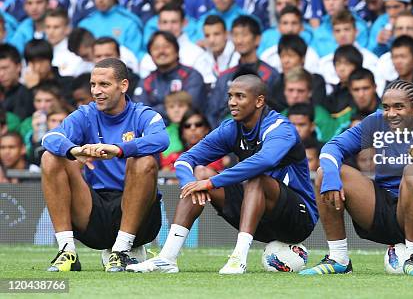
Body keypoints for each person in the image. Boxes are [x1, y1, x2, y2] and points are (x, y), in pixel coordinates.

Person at [127, 74, 318, 274]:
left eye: (240, 96)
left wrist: (211, 183)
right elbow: (185, 160)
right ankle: (167, 259)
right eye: (230, 96)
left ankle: (238, 259)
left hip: (298, 219)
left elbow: (265, 160)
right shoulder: (231, 128)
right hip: (257, 216)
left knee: (256, 179)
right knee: (198, 175)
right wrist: (191, 183)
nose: (232, 103)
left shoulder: (280, 128)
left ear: (259, 101)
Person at [300, 80, 413, 276]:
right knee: (325, 172)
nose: (391, 113)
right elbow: (332, 147)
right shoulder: (376, 123)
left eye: (399, 107)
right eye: (386, 107)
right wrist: (332, 178)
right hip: (385, 210)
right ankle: (338, 258)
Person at [40, 58, 169, 272]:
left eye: (104, 84)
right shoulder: (85, 114)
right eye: (93, 85)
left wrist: (119, 149)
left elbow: (162, 140)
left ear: (123, 85)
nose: (96, 91)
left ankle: (121, 251)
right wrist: (75, 150)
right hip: (93, 211)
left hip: (140, 219)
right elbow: (49, 137)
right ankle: (67, 251)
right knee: (50, 157)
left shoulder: (143, 114)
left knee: (144, 160)